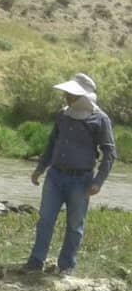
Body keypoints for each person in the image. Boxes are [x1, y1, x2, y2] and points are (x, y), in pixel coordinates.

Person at [26, 73, 117, 275]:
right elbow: (52, 143)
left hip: (81, 180)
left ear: (83, 97)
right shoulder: (63, 114)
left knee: (75, 225)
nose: (67, 97)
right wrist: (40, 169)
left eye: (71, 94)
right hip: (55, 176)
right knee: (45, 220)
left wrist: (98, 181)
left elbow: (110, 153)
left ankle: (66, 266)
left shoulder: (100, 119)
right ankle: (35, 261)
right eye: (67, 93)